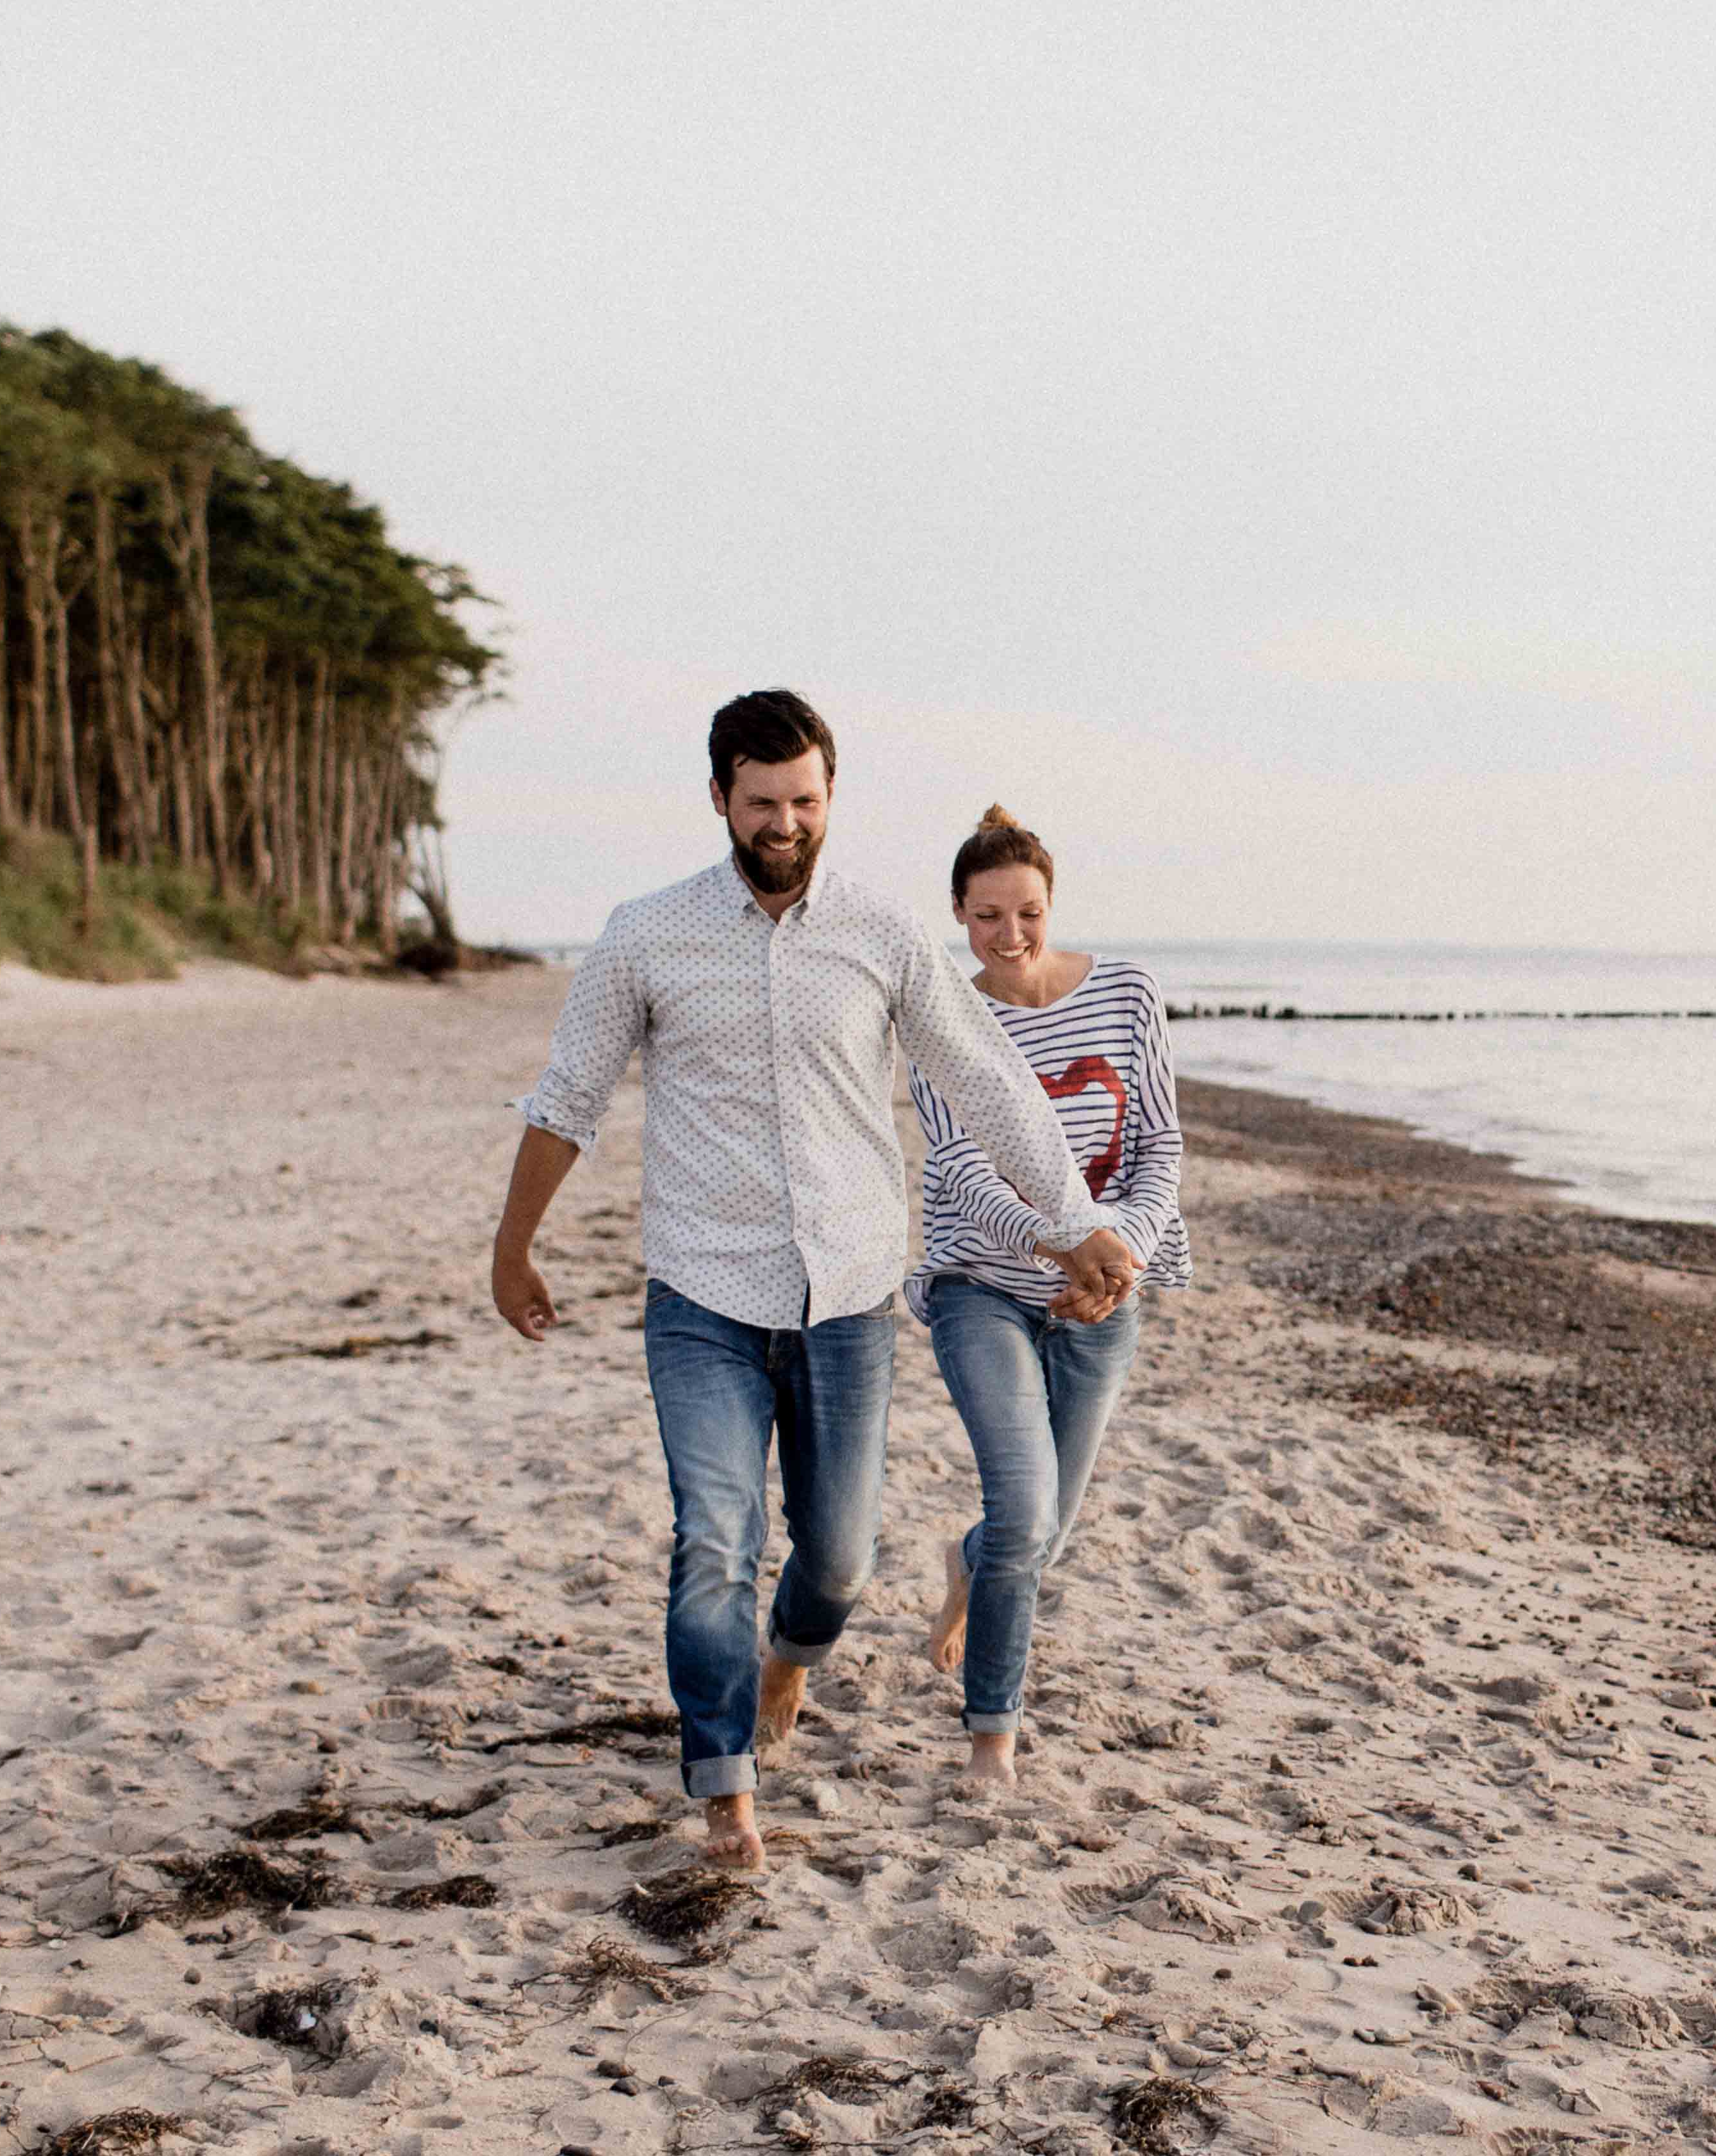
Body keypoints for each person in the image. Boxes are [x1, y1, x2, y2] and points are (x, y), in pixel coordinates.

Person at [488, 692, 1141, 1872]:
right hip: (701, 1295)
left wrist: (1074, 1221)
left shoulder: (885, 934)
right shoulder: (646, 934)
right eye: (760, 801)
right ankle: (727, 1789)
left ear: (830, 796)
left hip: (846, 1296)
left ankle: (791, 1655)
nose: (784, 822)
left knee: (838, 1559)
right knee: (713, 1542)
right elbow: (567, 1097)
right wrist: (513, 1242)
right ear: (720, 800)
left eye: (804, 800)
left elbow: (989, 1081)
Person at [905, 807, 1191, 1791]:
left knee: (1040, 1536)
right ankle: (993, 1736)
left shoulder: (1126, 991)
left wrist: (1121, 1260)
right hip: (982, 1285)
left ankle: (968, 1562)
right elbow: (960, 1171)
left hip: (1109, 1291)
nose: (1011, 935)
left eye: (1026, 911)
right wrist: (1064, 1243)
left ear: (1050, 901)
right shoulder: (943, 1011)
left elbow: (1160, 1146)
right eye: (987, 916)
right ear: (958, 913)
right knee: (1026, 1511)